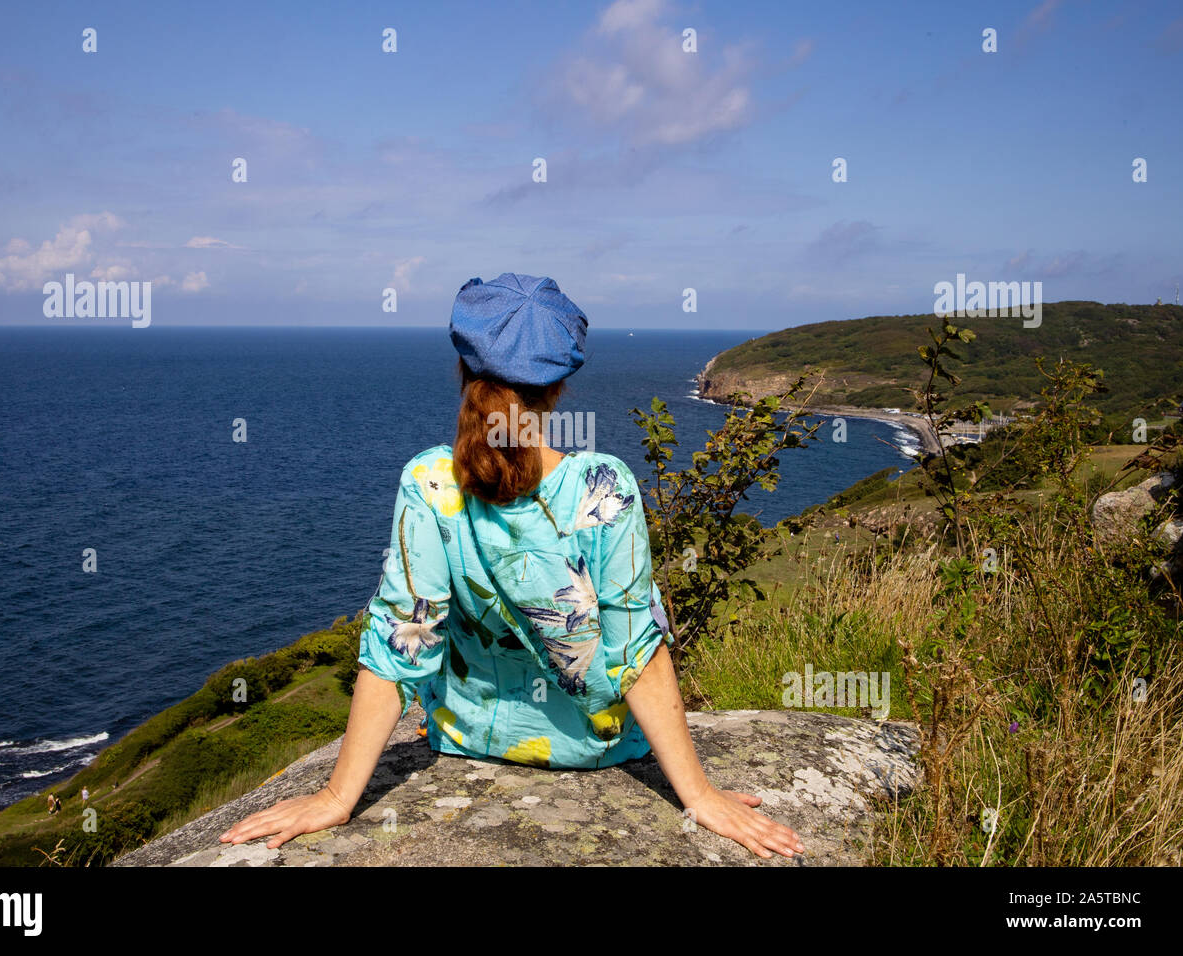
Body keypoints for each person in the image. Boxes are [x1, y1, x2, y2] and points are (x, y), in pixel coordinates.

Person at [220, 273, 804, 860]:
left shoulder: (429, 482)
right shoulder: (604, 487)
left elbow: (403, 639)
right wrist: (699, 796)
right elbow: (636, 653)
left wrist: (338, 795)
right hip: (595, 748)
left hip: (464, 739)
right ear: (558, 389)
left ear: (464, 372)